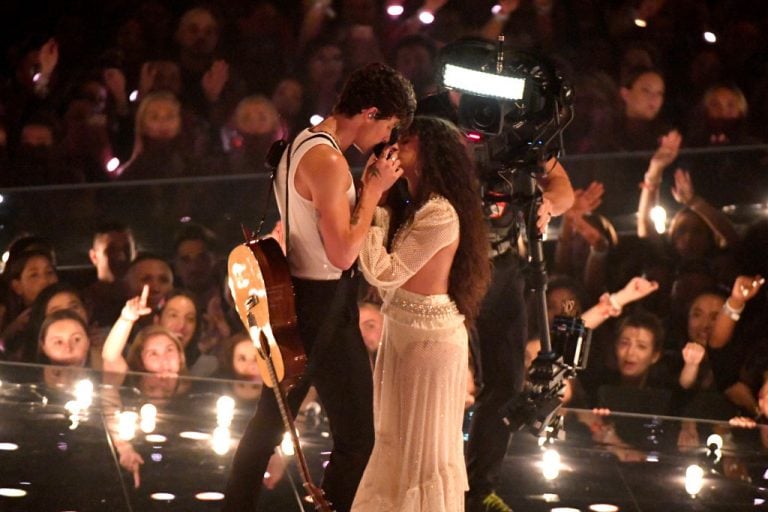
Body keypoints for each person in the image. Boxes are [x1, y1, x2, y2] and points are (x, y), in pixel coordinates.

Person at [223, 62, 416, 512]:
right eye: (389, 126)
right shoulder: (329, 160)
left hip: (298, 294)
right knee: (357, 438)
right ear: (370, 112)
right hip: (323, 302)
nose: (388, 139)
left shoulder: (300, 144)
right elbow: (343, 254)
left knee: (270, 424)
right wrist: (372, 189)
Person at [351, 115, 491, 510]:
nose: (394, 149)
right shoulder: (415, 207)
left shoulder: (440, 213)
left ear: (431, 155)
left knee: (422, 456)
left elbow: (384, 271)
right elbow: (384, 282)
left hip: (429, 341)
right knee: (394, 443)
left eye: (406, 143)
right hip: (402, 331)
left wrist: (373, 204)